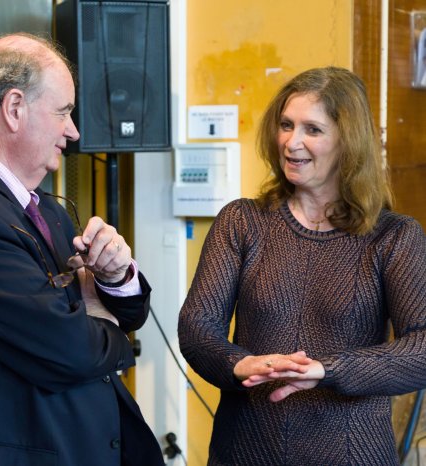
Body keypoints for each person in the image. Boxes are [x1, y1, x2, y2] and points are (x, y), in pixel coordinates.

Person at [0, 32, 164, 466]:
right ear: (15, 109)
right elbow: (71, 352)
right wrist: (97, 319)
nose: (73, 130)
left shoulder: (44, 206)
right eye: (63, 111)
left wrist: (116, 277)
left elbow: (122, 316)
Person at [178, 66, 426, 465]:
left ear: (348, 141)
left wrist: (326, 370)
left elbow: (422, 348)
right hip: (244, 450)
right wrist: (238, 363)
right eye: (286, 124)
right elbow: (196, 328)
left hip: (353, 454)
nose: (292, 142)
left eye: (313, 129)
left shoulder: (394, 236)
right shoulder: (243, 221)